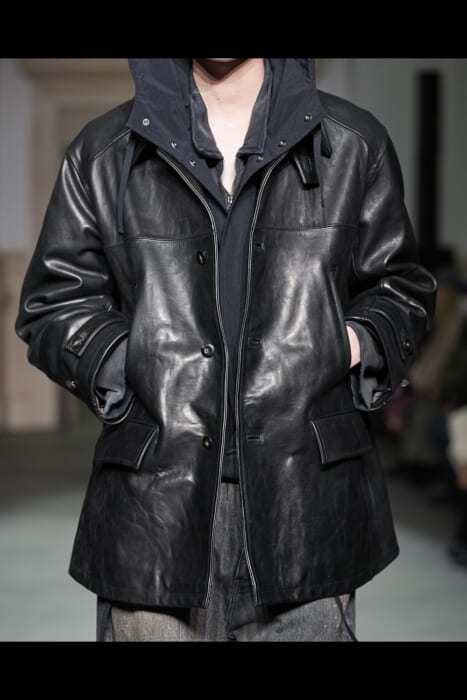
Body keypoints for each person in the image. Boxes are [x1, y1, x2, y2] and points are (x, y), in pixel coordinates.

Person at [14, 58, 437, 642]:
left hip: (307, 504)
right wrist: (130, 362)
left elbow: (402, 289)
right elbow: (54, 302)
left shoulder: (354, 144)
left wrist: (347, 344)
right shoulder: (102, 152)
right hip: (155, 505)